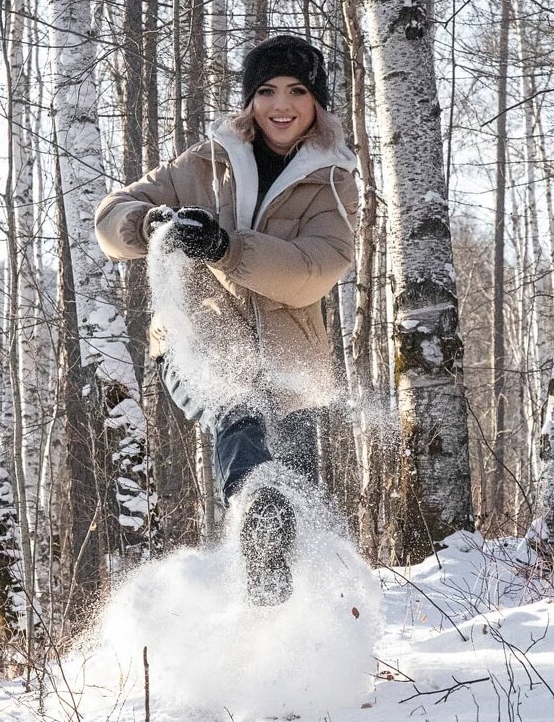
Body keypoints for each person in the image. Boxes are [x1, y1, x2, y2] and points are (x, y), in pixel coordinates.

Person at [95, 34, 358, 604]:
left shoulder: (334, 183)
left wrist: (224, 247)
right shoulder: (202, 164)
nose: (280, 104)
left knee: (299, 490)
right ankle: (256, 554)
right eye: (265, 90)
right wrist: (154, 225)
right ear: (249, 100)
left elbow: (314, 270)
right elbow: (112, 217)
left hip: (291, 368)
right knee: (241, 418)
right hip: (199, 344)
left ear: (316, 102)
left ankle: (302, 632)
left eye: (296, 90)